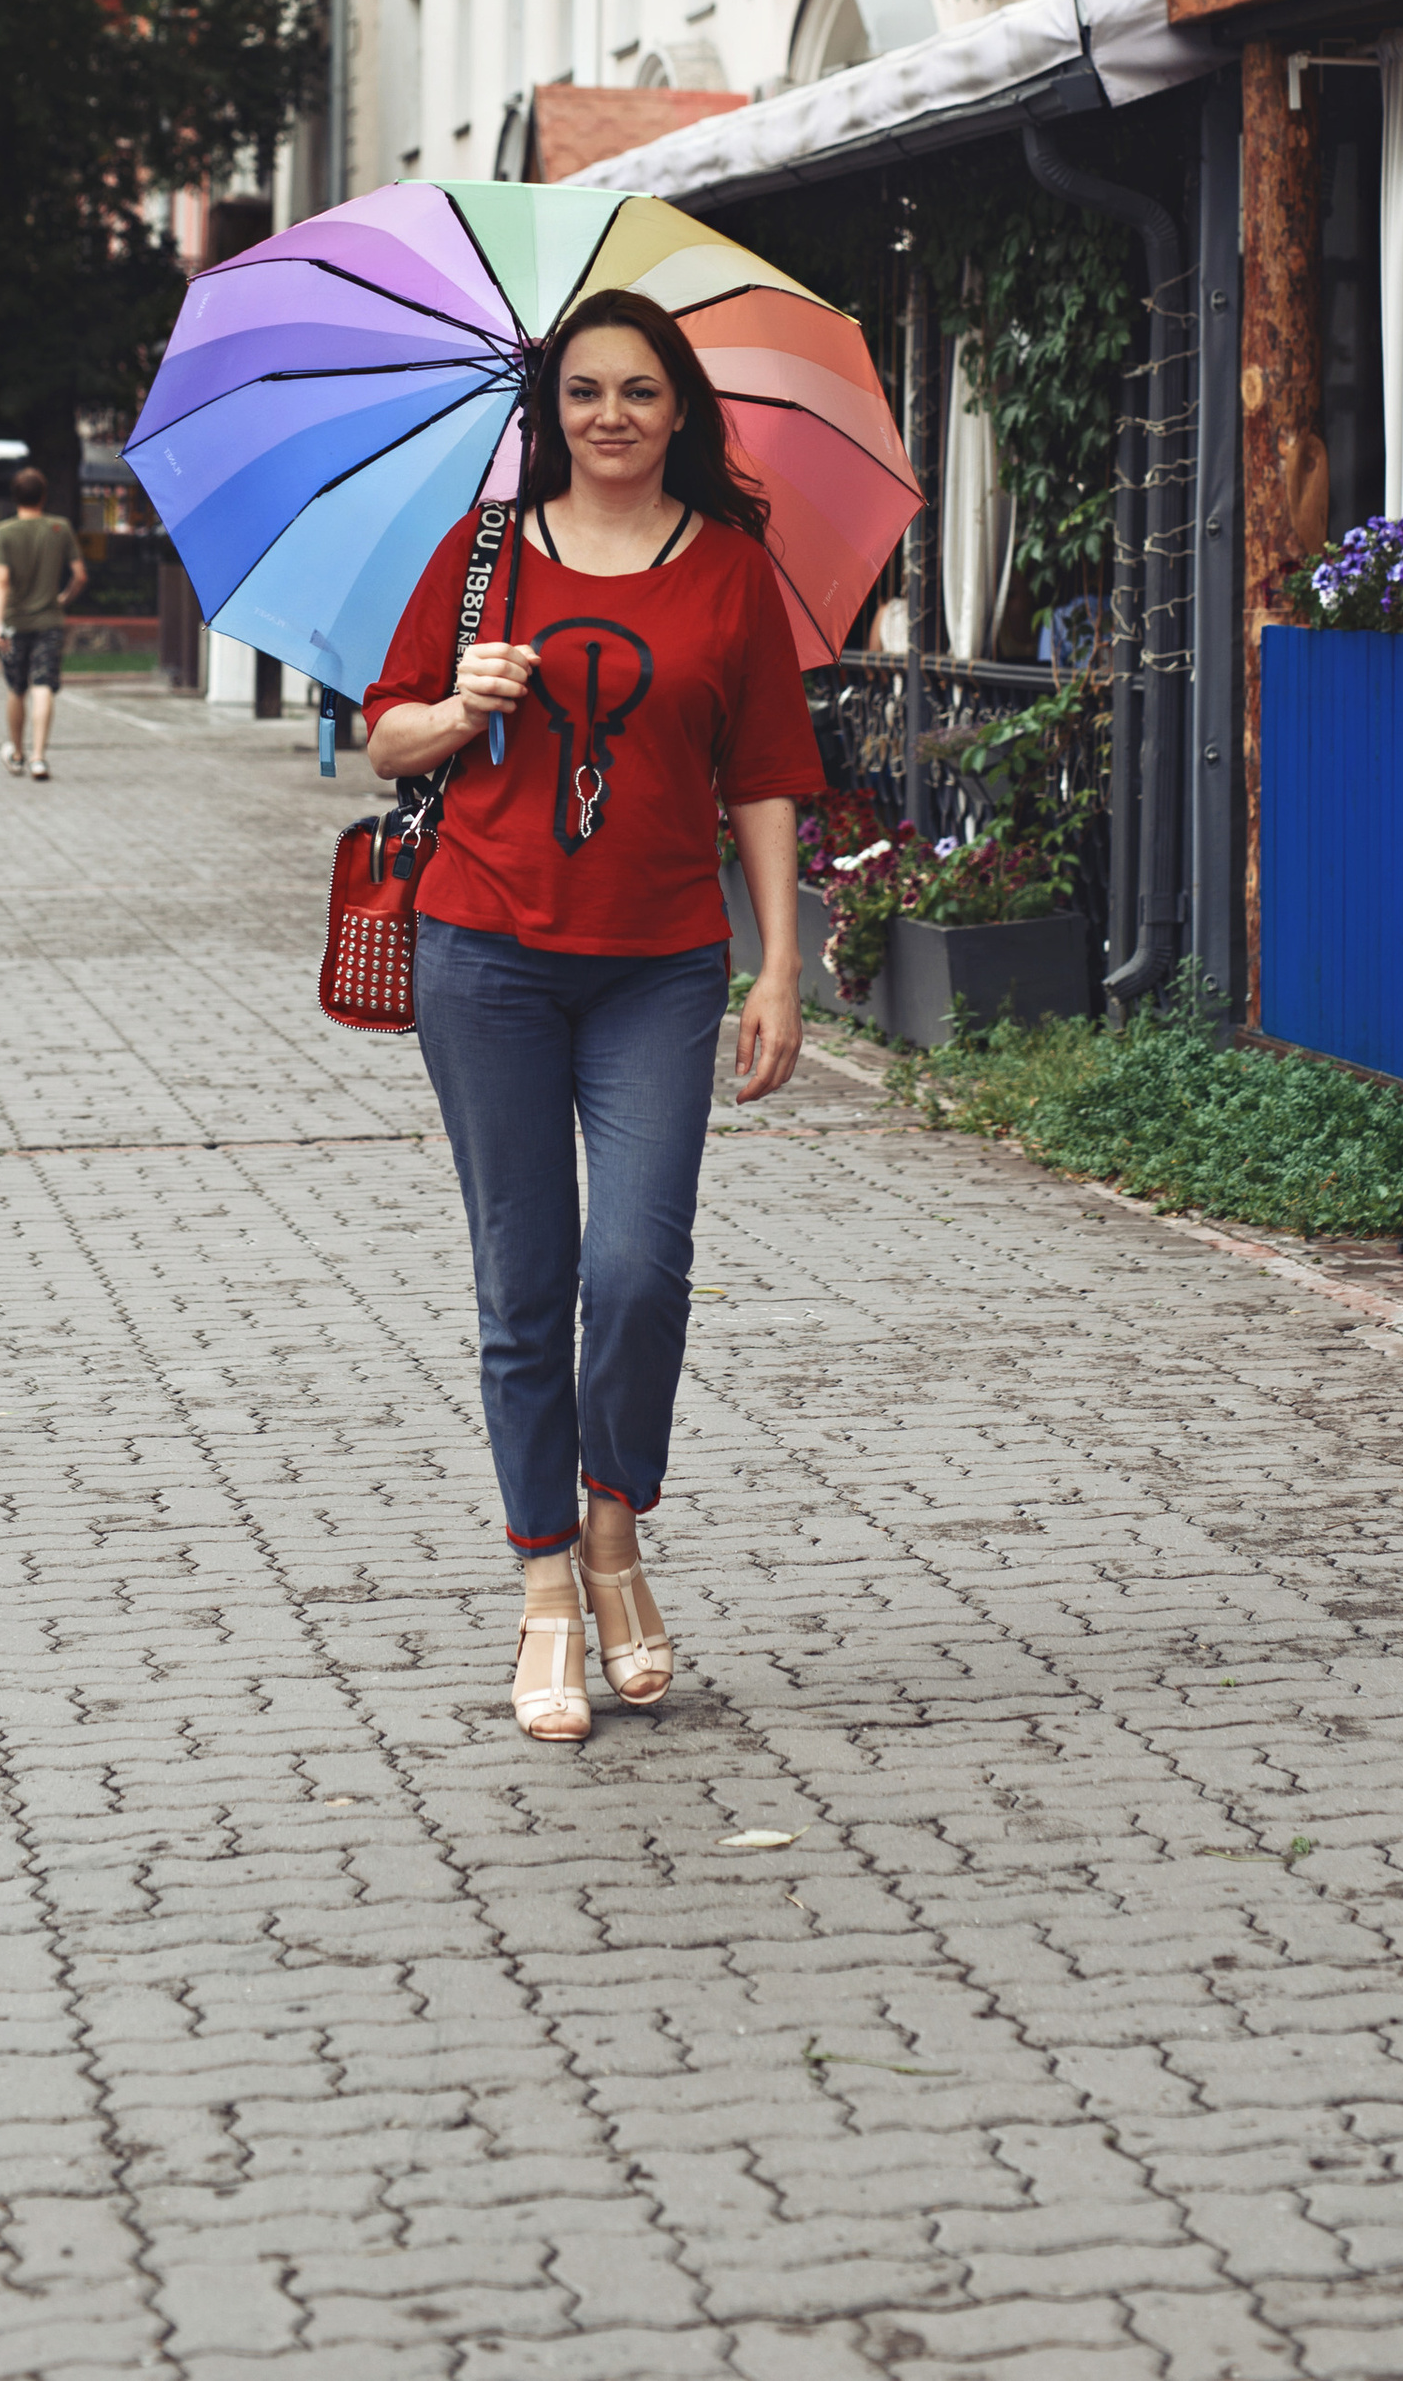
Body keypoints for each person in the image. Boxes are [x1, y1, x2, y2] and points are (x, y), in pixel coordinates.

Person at [362, 288, 820, 1747]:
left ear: (680, 410)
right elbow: (383, 729)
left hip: (661, 962)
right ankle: (547, 1584)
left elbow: (762, 772)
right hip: (484, 952)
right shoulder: (482, 555)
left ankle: (616, 1526)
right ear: (546, 411)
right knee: (522, 1283)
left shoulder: (732, 570)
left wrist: (779, 965)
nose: (609, 416)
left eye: (637, 391)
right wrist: (456, 702)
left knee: (633, 1273)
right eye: (582, 393)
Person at [0, 465, 86, 777]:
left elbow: (0, 581)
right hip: (50, 621)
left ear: (14, 497)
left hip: (16, 622)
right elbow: (80, 575)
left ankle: (17, 754)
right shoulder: (60, 528)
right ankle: (39, 758)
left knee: (17, 688)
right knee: (43, 686)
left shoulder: (3, 532)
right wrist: (62, 599)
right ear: (44, 496)